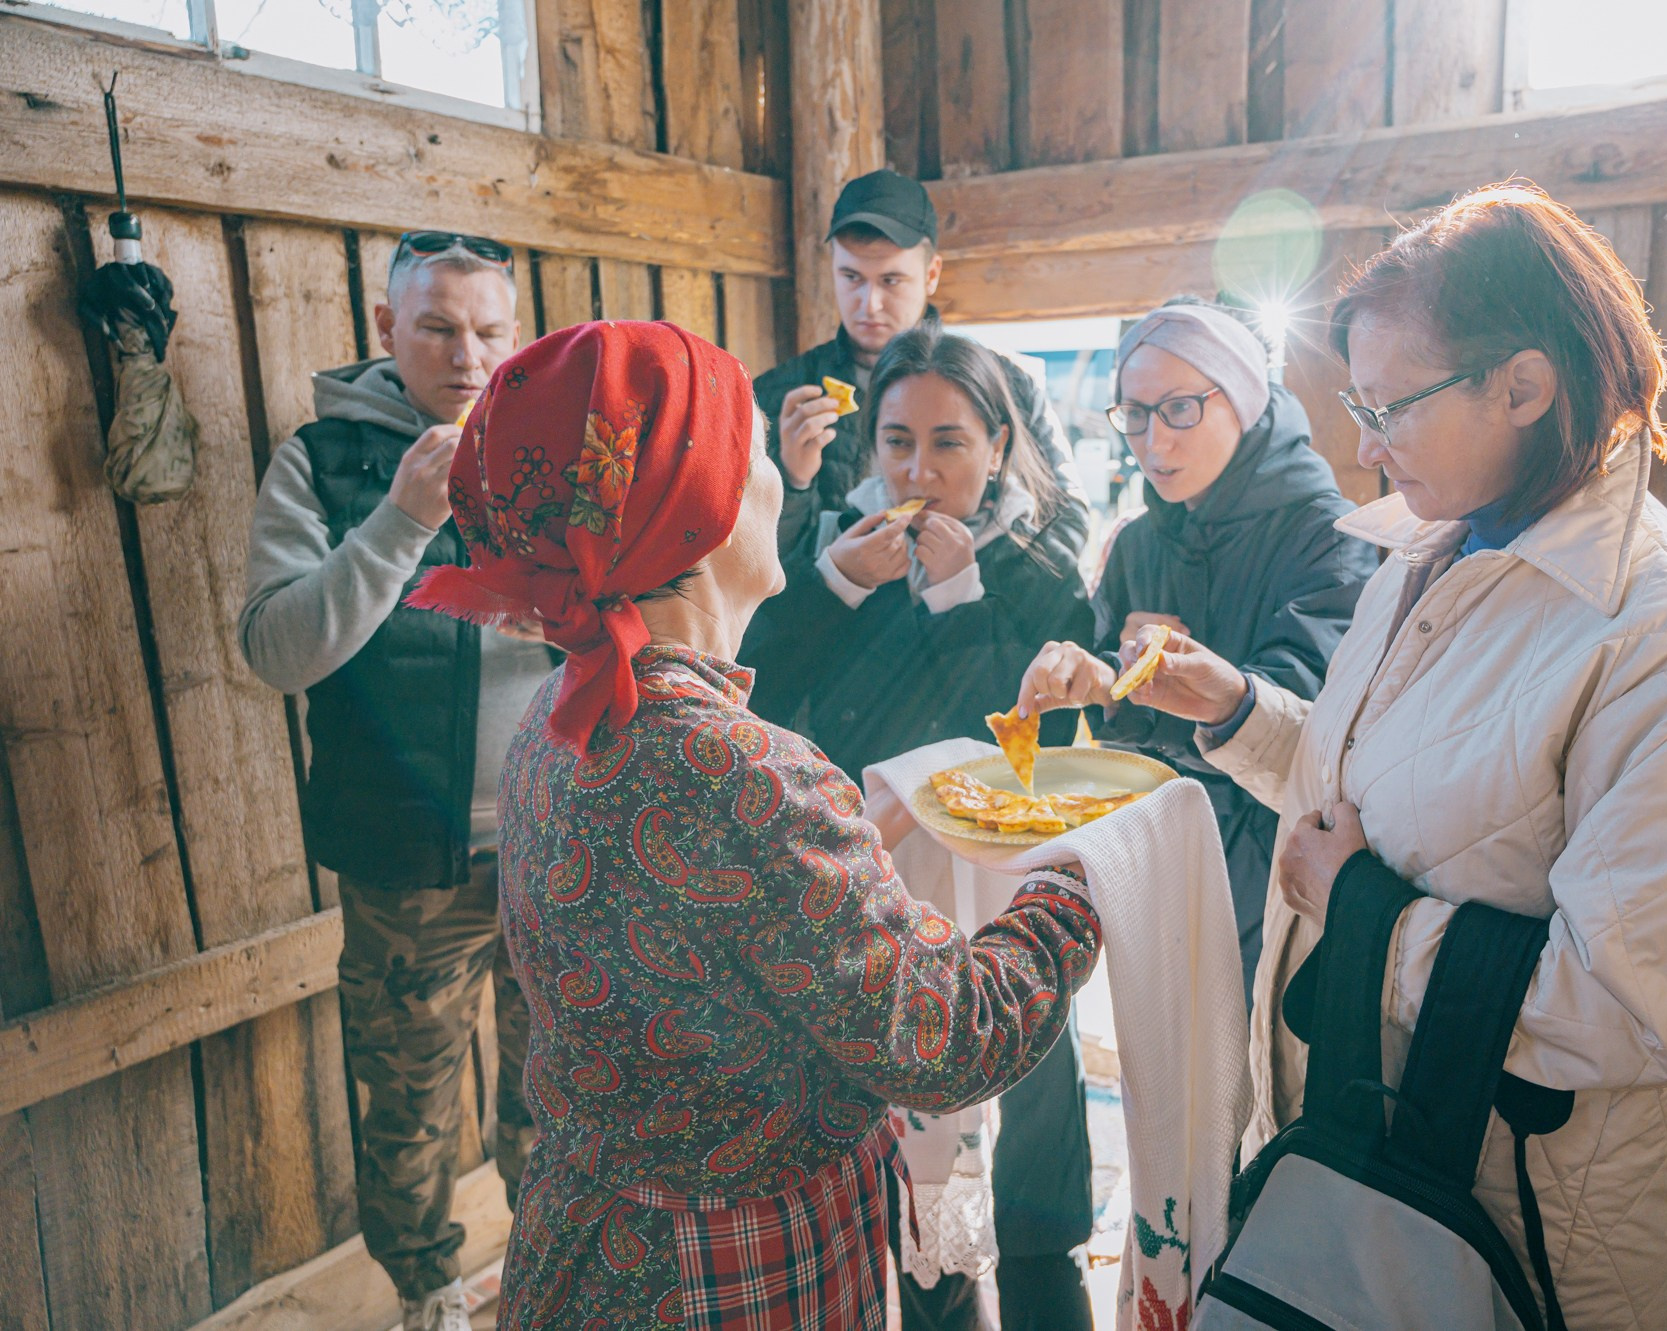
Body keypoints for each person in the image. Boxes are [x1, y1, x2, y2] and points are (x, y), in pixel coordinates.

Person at [1111, 185, 1667, 1330]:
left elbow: (1630, 1005)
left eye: (1389, 405)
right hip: (1368, 1152)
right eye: (1352, 401)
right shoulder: (1427, 553)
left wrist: (1363, 916)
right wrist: (1243, 712)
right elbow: (1383, 804)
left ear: (1523, 387)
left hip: (1522, 1213)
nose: (1360, 441)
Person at [404, 320, 1103, 1330]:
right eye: (750, 453)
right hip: (726, 1271)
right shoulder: (741, 768)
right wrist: (1074, 872)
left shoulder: (562, 715)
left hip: (589, 1241)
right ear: (704, 511)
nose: (781, 474)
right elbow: (943, 1039)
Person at [741, 325, 1096, 1329]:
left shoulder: (1038, 567)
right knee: (907, 1172)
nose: (919, 469)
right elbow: (761, 693)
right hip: (869, 908)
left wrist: (955, 598)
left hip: (1001, 912)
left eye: (948, 442)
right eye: (896, 440)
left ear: (996, 445)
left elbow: (1033, 754)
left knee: (1030, 1173)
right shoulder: (832, 549)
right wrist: (836, 584)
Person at [238, 231, 547, 1331]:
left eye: (491, 330)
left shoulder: (549, 444)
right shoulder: (320, 461)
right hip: (408, 860)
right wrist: (403, 520)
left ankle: (551, 1281)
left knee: (552, 1094)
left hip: (552, 847)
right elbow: (275, 648)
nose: (469, 356)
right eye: (438, 327)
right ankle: (428, 1293)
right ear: (385, 329)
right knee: (408, 1107)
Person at [1015, 299, 1374, 999]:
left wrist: (1193, 688)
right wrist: (1096, 681)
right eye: (1135, 414)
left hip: (1281, 875)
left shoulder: (1328, 535)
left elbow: (1304, 712)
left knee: (1261, 1087)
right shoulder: (1141, 542)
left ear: (1239, 399)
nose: (1154, 441)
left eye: (1179, 408)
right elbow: (1120, 691)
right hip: (1161, 862)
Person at [754, 167, 1086, 558]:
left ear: (931, 274)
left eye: (891, 281)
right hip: (836, 618)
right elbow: (756, 569)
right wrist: (792, 483)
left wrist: (973, 578)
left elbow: (1068, 522)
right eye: (851, 277)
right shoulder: (776, 395)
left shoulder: (1008, 385)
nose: (869, 303)